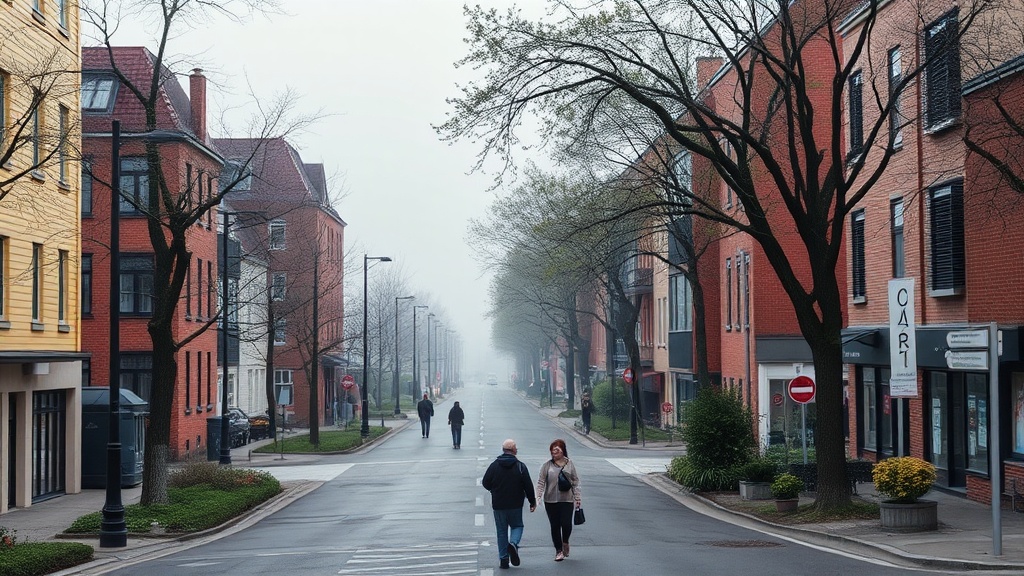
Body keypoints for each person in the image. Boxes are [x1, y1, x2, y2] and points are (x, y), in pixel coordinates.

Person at [482, 439, 537, 570]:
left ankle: (504, 559)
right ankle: (513, 543)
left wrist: (494, 490)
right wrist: (532, 501)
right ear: (513, 450)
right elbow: (528, 485)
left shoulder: (494, 465)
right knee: (517, 526)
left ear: (503, 450)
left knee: (501, 532)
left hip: (499, 504)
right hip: (516, 504)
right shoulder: (520, 466)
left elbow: (485, 482)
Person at [536, 438, 580, 562]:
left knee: (566, 524)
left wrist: (577, 497)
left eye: (557, 450)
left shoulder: (569, 464)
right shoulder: (547, 465)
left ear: (563, 451)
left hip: (567, 499)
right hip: (550, 500)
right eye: (552, 451)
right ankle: (558, 551)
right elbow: (541, 482)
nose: (554, 453)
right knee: (555, 526)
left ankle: (565, 541)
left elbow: (575, 481)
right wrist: (538, 496)